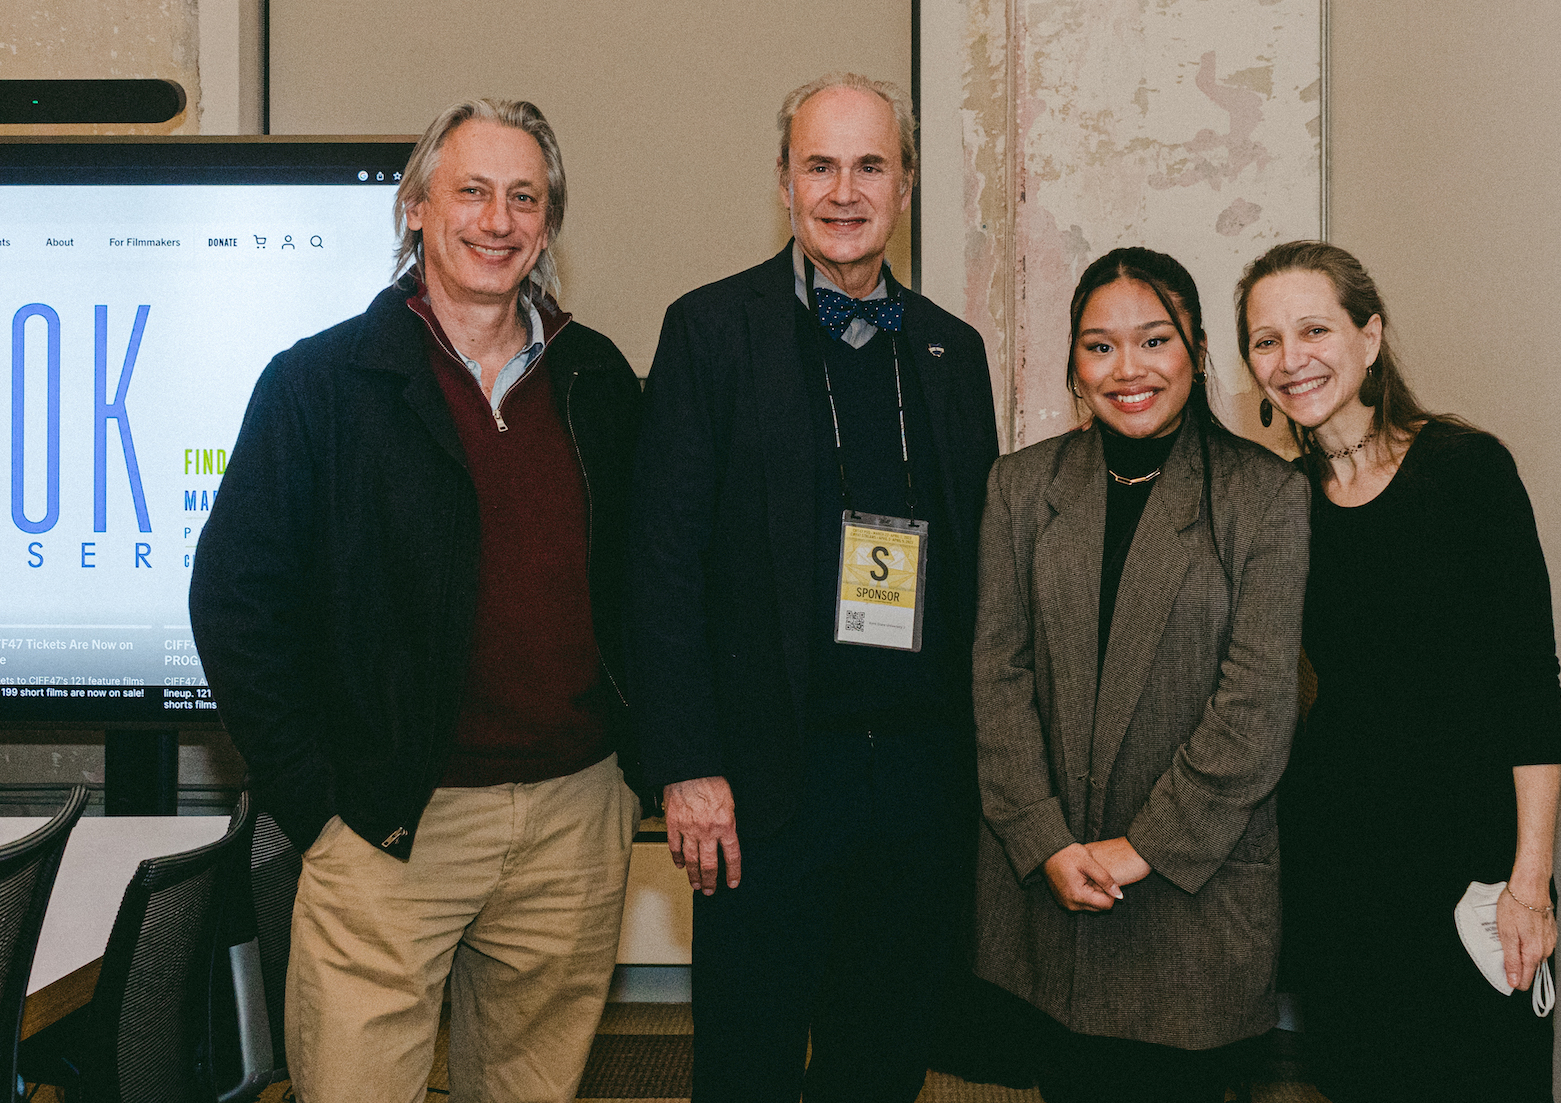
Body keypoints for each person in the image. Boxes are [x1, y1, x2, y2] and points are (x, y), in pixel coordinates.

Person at [189, 99, 643, 1103]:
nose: (498, 218)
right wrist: (318, 805)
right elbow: (234, 601)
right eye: (472, 190)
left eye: (525, 197)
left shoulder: (598, 379)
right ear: (417, 208)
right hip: (390, 819)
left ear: (548, 224)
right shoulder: (319, 384)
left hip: (574, 815)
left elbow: (653, 581)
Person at [628, 72, 999, 1103]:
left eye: (870, 164)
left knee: (877, 1062)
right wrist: (688, 764)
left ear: (907, 184)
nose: (845, 189)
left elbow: (978, 578)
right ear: (785, 183)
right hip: (762, 787)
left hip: (916, 790)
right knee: (745, 1066)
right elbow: (660, 564)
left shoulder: (949, 352)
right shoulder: (711, 332)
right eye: (820, 164)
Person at [973, 247, 1310, 1103]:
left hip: (1193, 898)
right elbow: (998, 678)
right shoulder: (1019, 489)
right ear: (1074, 366)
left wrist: (1138, 851)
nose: (1127, 369)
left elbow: (1257, 707)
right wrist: (1044, 839)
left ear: (1197, 351)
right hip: (1050, 890)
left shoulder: (1264, 497)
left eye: (1154, 340)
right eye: (1099, 346)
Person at [1235, 240, 1561, 1102]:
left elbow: (1531, 684)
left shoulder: (1467, 471)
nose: (1290, 358)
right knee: (1360, 1077)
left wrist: (1530, 881)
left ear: (1370, 337)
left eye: (1313, 328)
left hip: (1472, 858)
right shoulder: (1284, 503)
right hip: (1342, 861)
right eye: (1265, 341)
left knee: (1488, 1081)